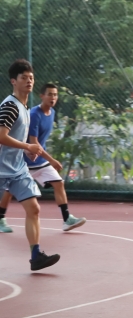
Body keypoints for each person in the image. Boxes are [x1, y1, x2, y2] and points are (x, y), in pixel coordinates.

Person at [0, 83, 86, 234]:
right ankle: (1, 218)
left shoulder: (52, 113)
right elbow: (34, 142)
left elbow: (41, 142)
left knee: (58, 183)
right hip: (24, 161)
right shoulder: (34, 114)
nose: (53, 97)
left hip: (39, 160)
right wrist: (51, 159)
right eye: (50, 94)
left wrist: (45, 158)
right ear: (42, 96)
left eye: (55, 95)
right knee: (8, 191)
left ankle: (67, 219)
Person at [0, 59, 60, 270]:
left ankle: (36, 256)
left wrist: (25, 150)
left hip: (17, 170)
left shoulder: (25, 107)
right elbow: (1, 136)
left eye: (31, 78)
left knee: (33, 209)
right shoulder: (10, 106)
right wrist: (27, 145)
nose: (29, 81)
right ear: (13, 81)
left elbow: (14, 139)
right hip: (1, 170)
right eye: (24, 77)